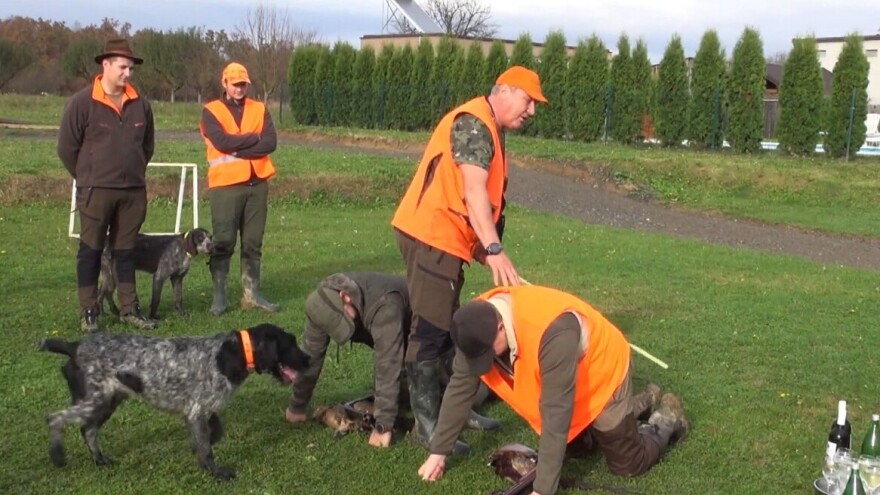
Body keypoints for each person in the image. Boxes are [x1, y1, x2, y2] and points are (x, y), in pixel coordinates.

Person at [390, 66, 547, 454]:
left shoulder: (489, 127)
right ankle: (428, 428)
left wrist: (479, 247)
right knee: (429, 331)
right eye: (529, 101)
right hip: (431, 236)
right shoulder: (475, 124)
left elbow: (469, 198)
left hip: (447, 239)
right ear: (506, 91)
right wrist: (493, 249)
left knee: (448, 326)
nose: (532, 112)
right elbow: (474, 191)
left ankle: (453, 412)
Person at [417, 284, 689, 495]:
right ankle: (644, 399)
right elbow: (459, 388)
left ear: (501, 327)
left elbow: (556, 415)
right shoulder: (474, 328)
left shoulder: (551, 332)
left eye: (488, 354)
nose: (485, 364)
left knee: (629, 464)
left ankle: (665, 418)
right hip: (564, 383)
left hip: (602, 375)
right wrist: (438, 451)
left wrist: (542, 489)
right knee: (578, 448)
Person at [285, 272, 499, 448]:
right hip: (402, 333)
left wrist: (383, 426)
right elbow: (309, 358)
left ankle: (451, 420)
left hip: (431, 321)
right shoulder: (319, 306)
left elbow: (388, 362)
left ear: (344, 297)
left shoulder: (383, 304)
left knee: (446, 374)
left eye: (345, 321)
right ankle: (442, 412)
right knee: (414, 383)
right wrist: (297, 405)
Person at [57, 38, 156, 332]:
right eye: (123, 67)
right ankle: (89, 310)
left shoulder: (142, 105)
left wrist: (133, 171)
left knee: (126, 251)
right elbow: (66, 148)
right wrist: (87, 177)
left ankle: (129, 308)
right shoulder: (82, 102)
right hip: (95, 191)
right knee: (91, 250)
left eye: (131, 68)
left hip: (133, 193)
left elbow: (147, 147)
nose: (128, 73)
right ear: (106, 65)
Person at [199, 62, 279, 315]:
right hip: (225, 186)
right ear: (224, 83)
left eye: (243, 84)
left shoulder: (260, 109)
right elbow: (221, 142)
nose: (240, 89)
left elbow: (270, 143)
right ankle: (219, 296)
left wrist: (237, 146)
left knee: (253, 242)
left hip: (257, 185)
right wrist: (251, 139)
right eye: (235, 84)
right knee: (223, 241)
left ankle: (252, 294)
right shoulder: (211, 111)